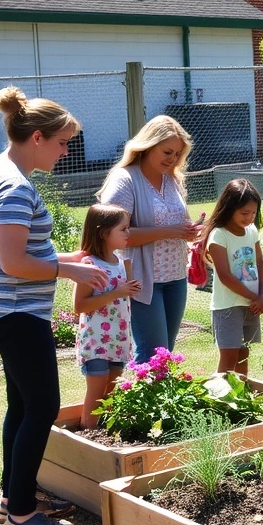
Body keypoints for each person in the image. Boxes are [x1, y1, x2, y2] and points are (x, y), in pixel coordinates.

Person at [0, 86, 108, 525]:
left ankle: (17, 497)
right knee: (43, 407)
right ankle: (22, 517)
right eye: (62, 142)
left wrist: (67, 258)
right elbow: (14, 263)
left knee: (22, 405)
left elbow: (19, 249)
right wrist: (67, 270)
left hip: (3, 309)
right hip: (15, 313)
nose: (66, 150)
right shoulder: (12, 184)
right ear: (35, 137)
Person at [98, 115, 199, 364]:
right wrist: (171, 231)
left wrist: (191, 230)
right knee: (152, 354)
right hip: (142, 281)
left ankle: (155, 402)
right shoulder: (124, 180)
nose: (172, 159)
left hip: (175, 278)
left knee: (164, 354)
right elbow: (112, 236)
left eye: (177, 154)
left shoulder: (173, 179)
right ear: (147, 145)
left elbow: (179, 221)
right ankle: (139, 402)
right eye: (167, 152)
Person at [73, 204, 141, 429]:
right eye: (123, 229)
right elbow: (80, 306)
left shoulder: (121, 262)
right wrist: (117, 292)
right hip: (96, 342)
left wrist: (129, 289)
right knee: (96, 391)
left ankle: (104, 434)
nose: (128, 233)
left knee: (111, 390)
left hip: (118, 339)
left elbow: (123, 298)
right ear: (104, 233)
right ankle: (88, 436)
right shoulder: (90, 265)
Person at [200, 179, 263, 374]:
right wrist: (254, 297)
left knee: (243, 353)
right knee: (229, 358)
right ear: (229, 208)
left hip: (251, 305)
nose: (249, 217)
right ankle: (221, 400)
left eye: (253, 213)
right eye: (244, 213)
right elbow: (225, 276)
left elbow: (260, 263)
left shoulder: (252, 231)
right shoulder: (219, 235)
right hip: (228, 306)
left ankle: (241, 397)